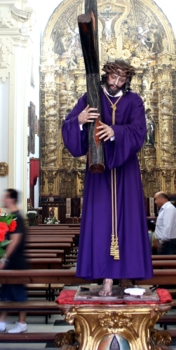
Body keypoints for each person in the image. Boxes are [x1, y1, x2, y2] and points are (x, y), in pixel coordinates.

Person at [62, 59, 153, 296]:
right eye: (113, 77)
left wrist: (115, 132)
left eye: (122, 79)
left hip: (126, 170)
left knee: (128, 221)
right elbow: (69, 124)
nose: (116, 83)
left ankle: (127, 275)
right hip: (98, 169)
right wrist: (79, 121)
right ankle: (106, 278)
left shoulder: (134, 101)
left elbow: (139, 131)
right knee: (101, 222)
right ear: (106, 76)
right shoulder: (90, 97)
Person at [0, 189, 29, 333]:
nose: (3, 199)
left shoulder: (17, 217)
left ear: (12, 199)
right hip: (12, 261)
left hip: (16, 261)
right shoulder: (12, 216)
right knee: (6, 293)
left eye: (5, 197)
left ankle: (22, 323)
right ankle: (1, 321)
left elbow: (15, 240)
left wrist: (4, 258)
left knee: (18, 294)